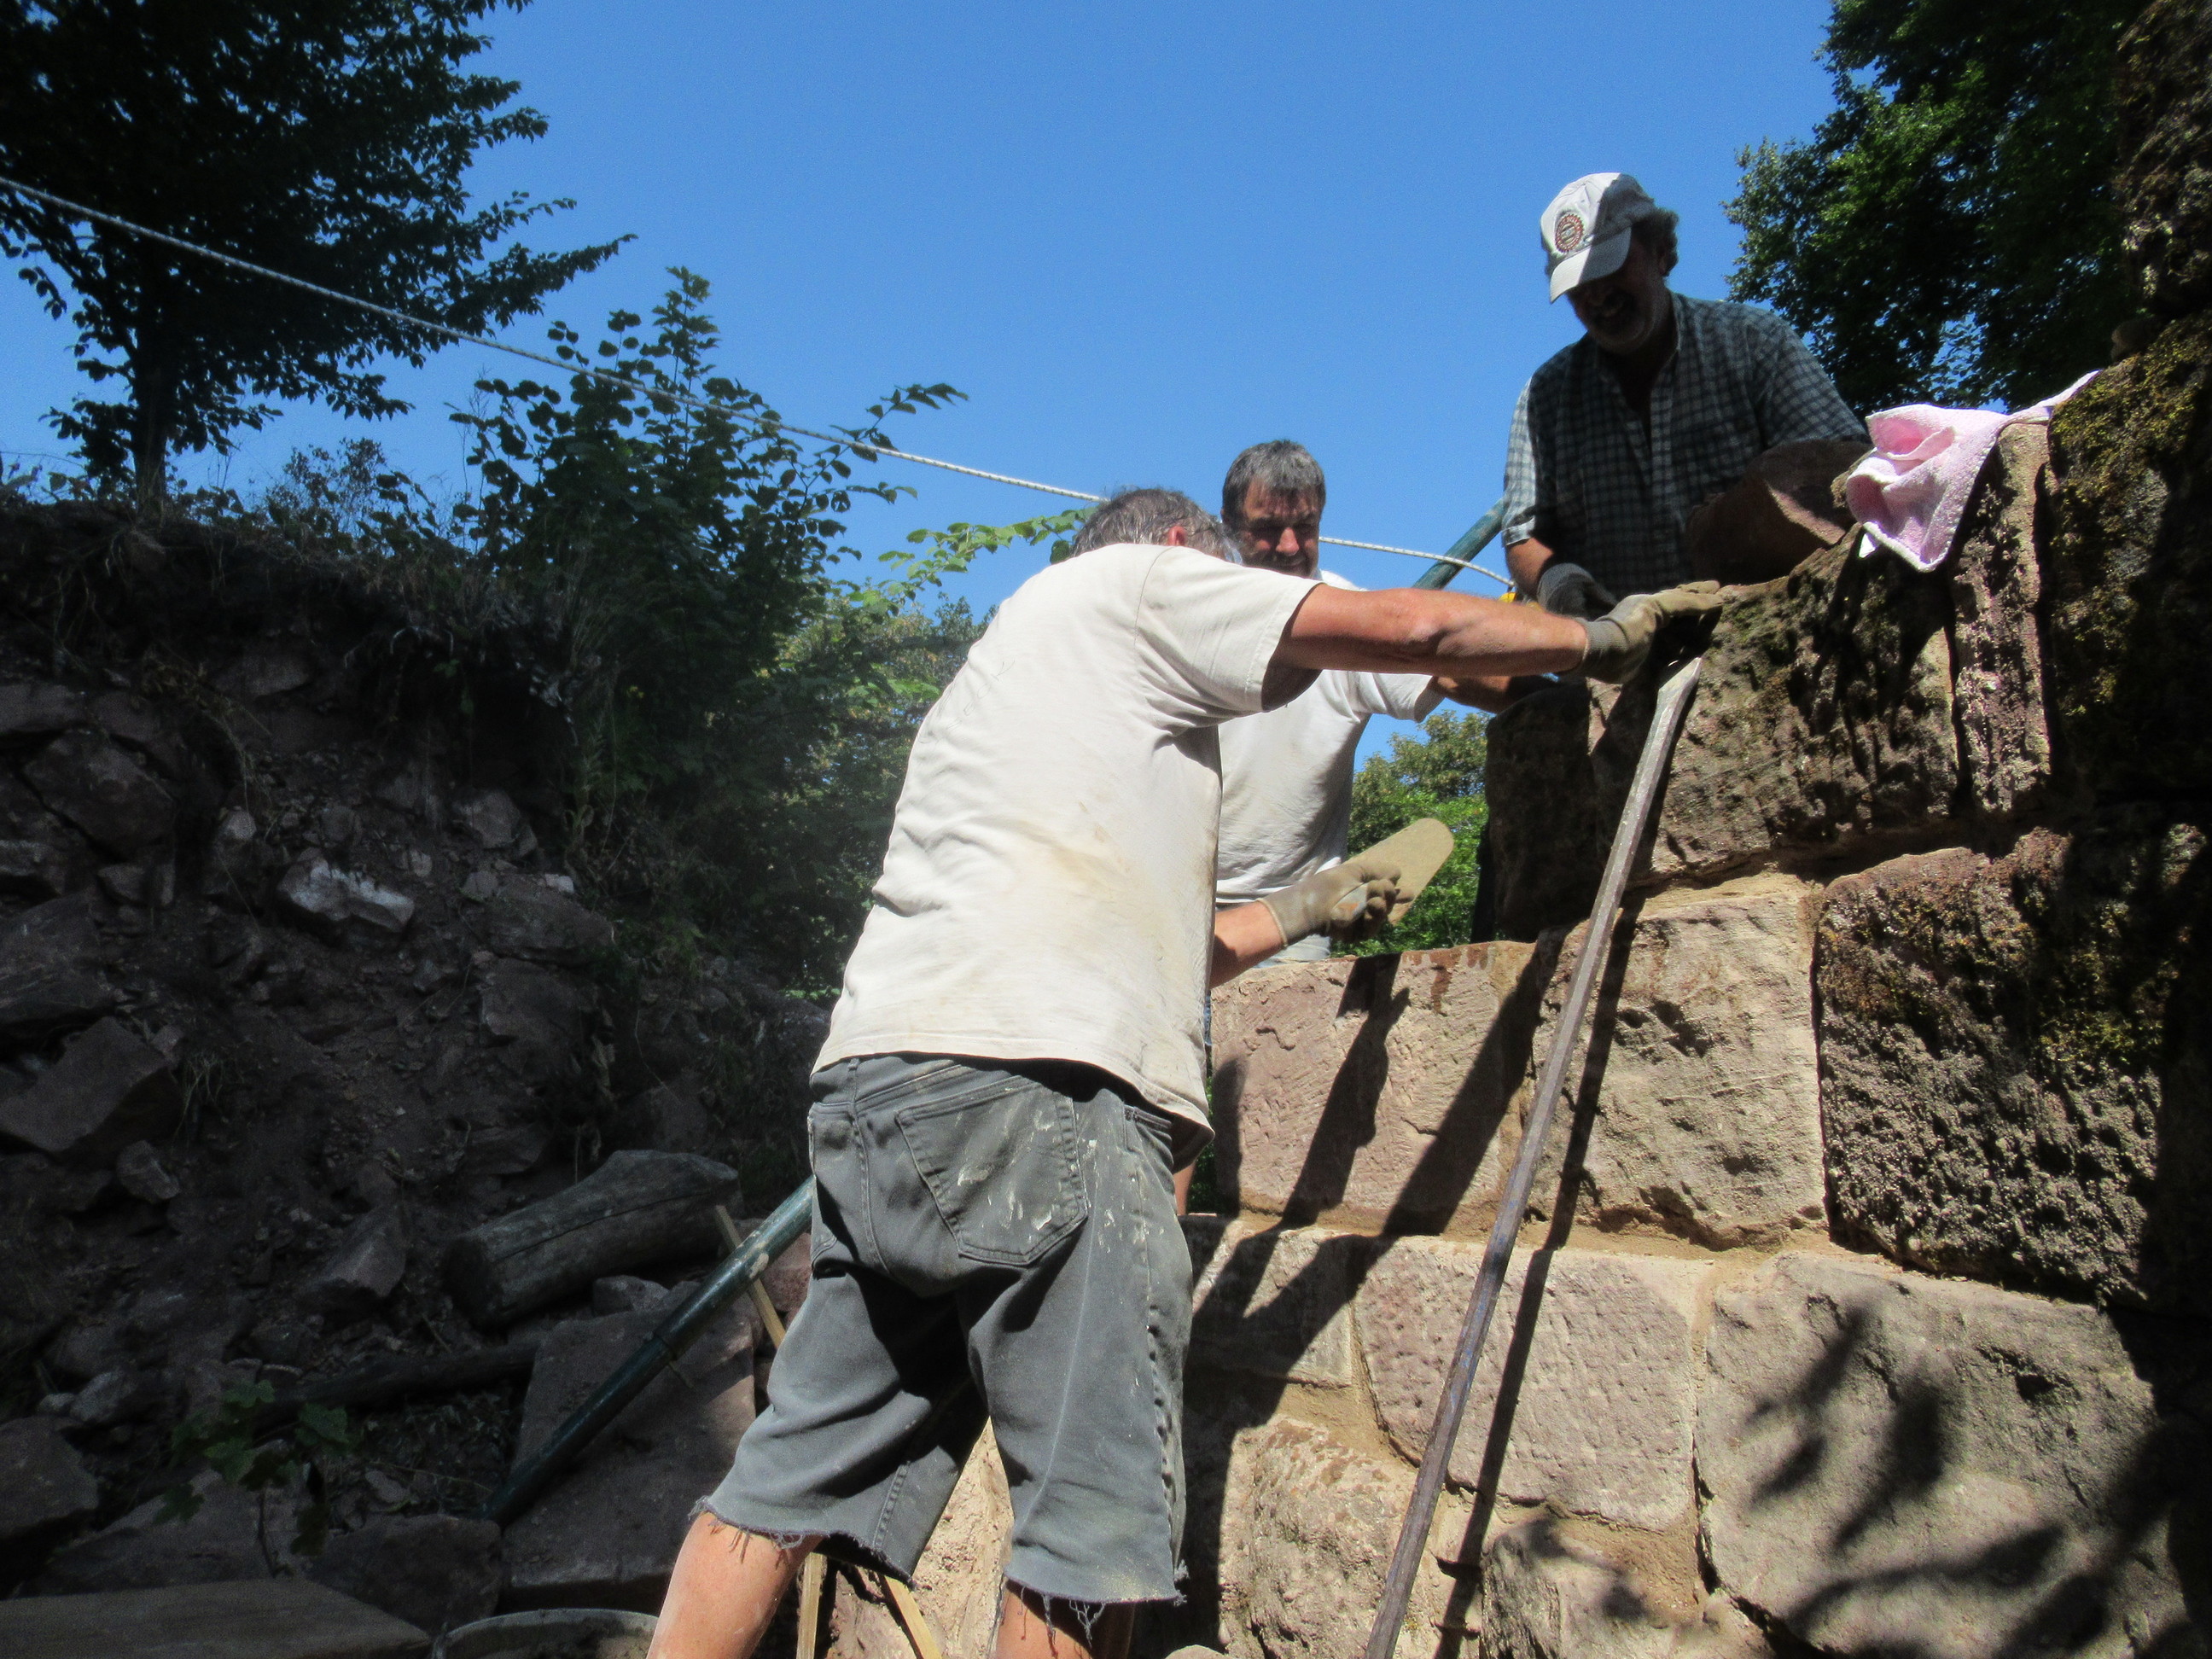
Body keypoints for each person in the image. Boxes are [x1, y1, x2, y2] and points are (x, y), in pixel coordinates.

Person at [646, 488, 1716, 1659]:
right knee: (1087, 1532)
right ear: (1176, 552)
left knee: (780, 1486)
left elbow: (1161, 949)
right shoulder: (1136, 583)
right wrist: (1599, 637)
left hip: (884, 1094)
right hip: (1038, 1098)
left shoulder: (1017, 682)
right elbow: (1415, 627)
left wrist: (1308, 906)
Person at [1502, 172, 1866, 617]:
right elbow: (1523, 533)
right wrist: (1555, 583)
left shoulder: (1753, 343)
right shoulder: (1545, 397)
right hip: (1621, 648)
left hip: (1764, 626)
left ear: (1662, 252)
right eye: (1579, 286)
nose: (1596, 295)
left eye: (1608, 268)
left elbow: (1845, 473)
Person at [1213, 440, 1516, 963]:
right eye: (1267, 528)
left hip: (1295, 914)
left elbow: (1448, 672)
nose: (1289, 546)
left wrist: (1559, 700)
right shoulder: (1198, 610)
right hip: (1176, 899)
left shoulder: (1347, 620)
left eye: (1305, 526)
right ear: (1230, 526)